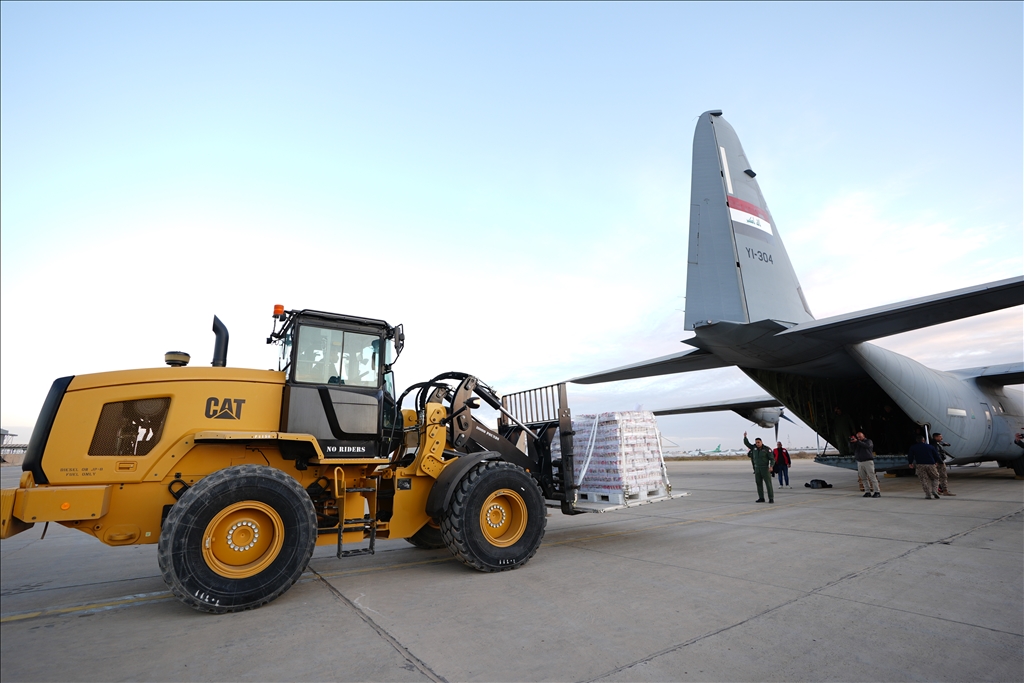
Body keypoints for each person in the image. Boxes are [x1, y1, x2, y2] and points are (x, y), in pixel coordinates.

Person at [743, 432, 775, 504]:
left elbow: (772, 459)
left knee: (768, 484)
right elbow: (747, 444)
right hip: (757, 468)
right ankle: (761, 498)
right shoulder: (754, 448)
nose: (757, 444)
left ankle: (771, 498)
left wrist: (771, 466)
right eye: (756, 442)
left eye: (758, 442)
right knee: (758, 483)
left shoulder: (767, 449)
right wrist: (745, 437)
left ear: (761, 442)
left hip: (765, 468)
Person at [850, 431, 880, 498]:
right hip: (860, 462)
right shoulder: (857, 443)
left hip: (868, 461)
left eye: (860, 437)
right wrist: (852, 443)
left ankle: (877, 491)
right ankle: (867, 491)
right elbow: (852, 449)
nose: (859, 438)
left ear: (863, 436)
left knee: (872, 477)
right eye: (858, 437)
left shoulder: (868, 441)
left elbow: (867, 446)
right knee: (863, 478)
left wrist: (857, 441)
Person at [931, 432, 956, 496]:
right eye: (940, 437)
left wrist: (945, 444)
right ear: (935, 437)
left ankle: (937, 490)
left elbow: (942, 444)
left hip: (937, 462)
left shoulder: (936, 443)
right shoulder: (935, 445)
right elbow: (937, 454)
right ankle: (945, 490)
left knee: (937, 477)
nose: (941, 438)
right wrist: (941, 462)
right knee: (943, 476)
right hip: (939, 463)